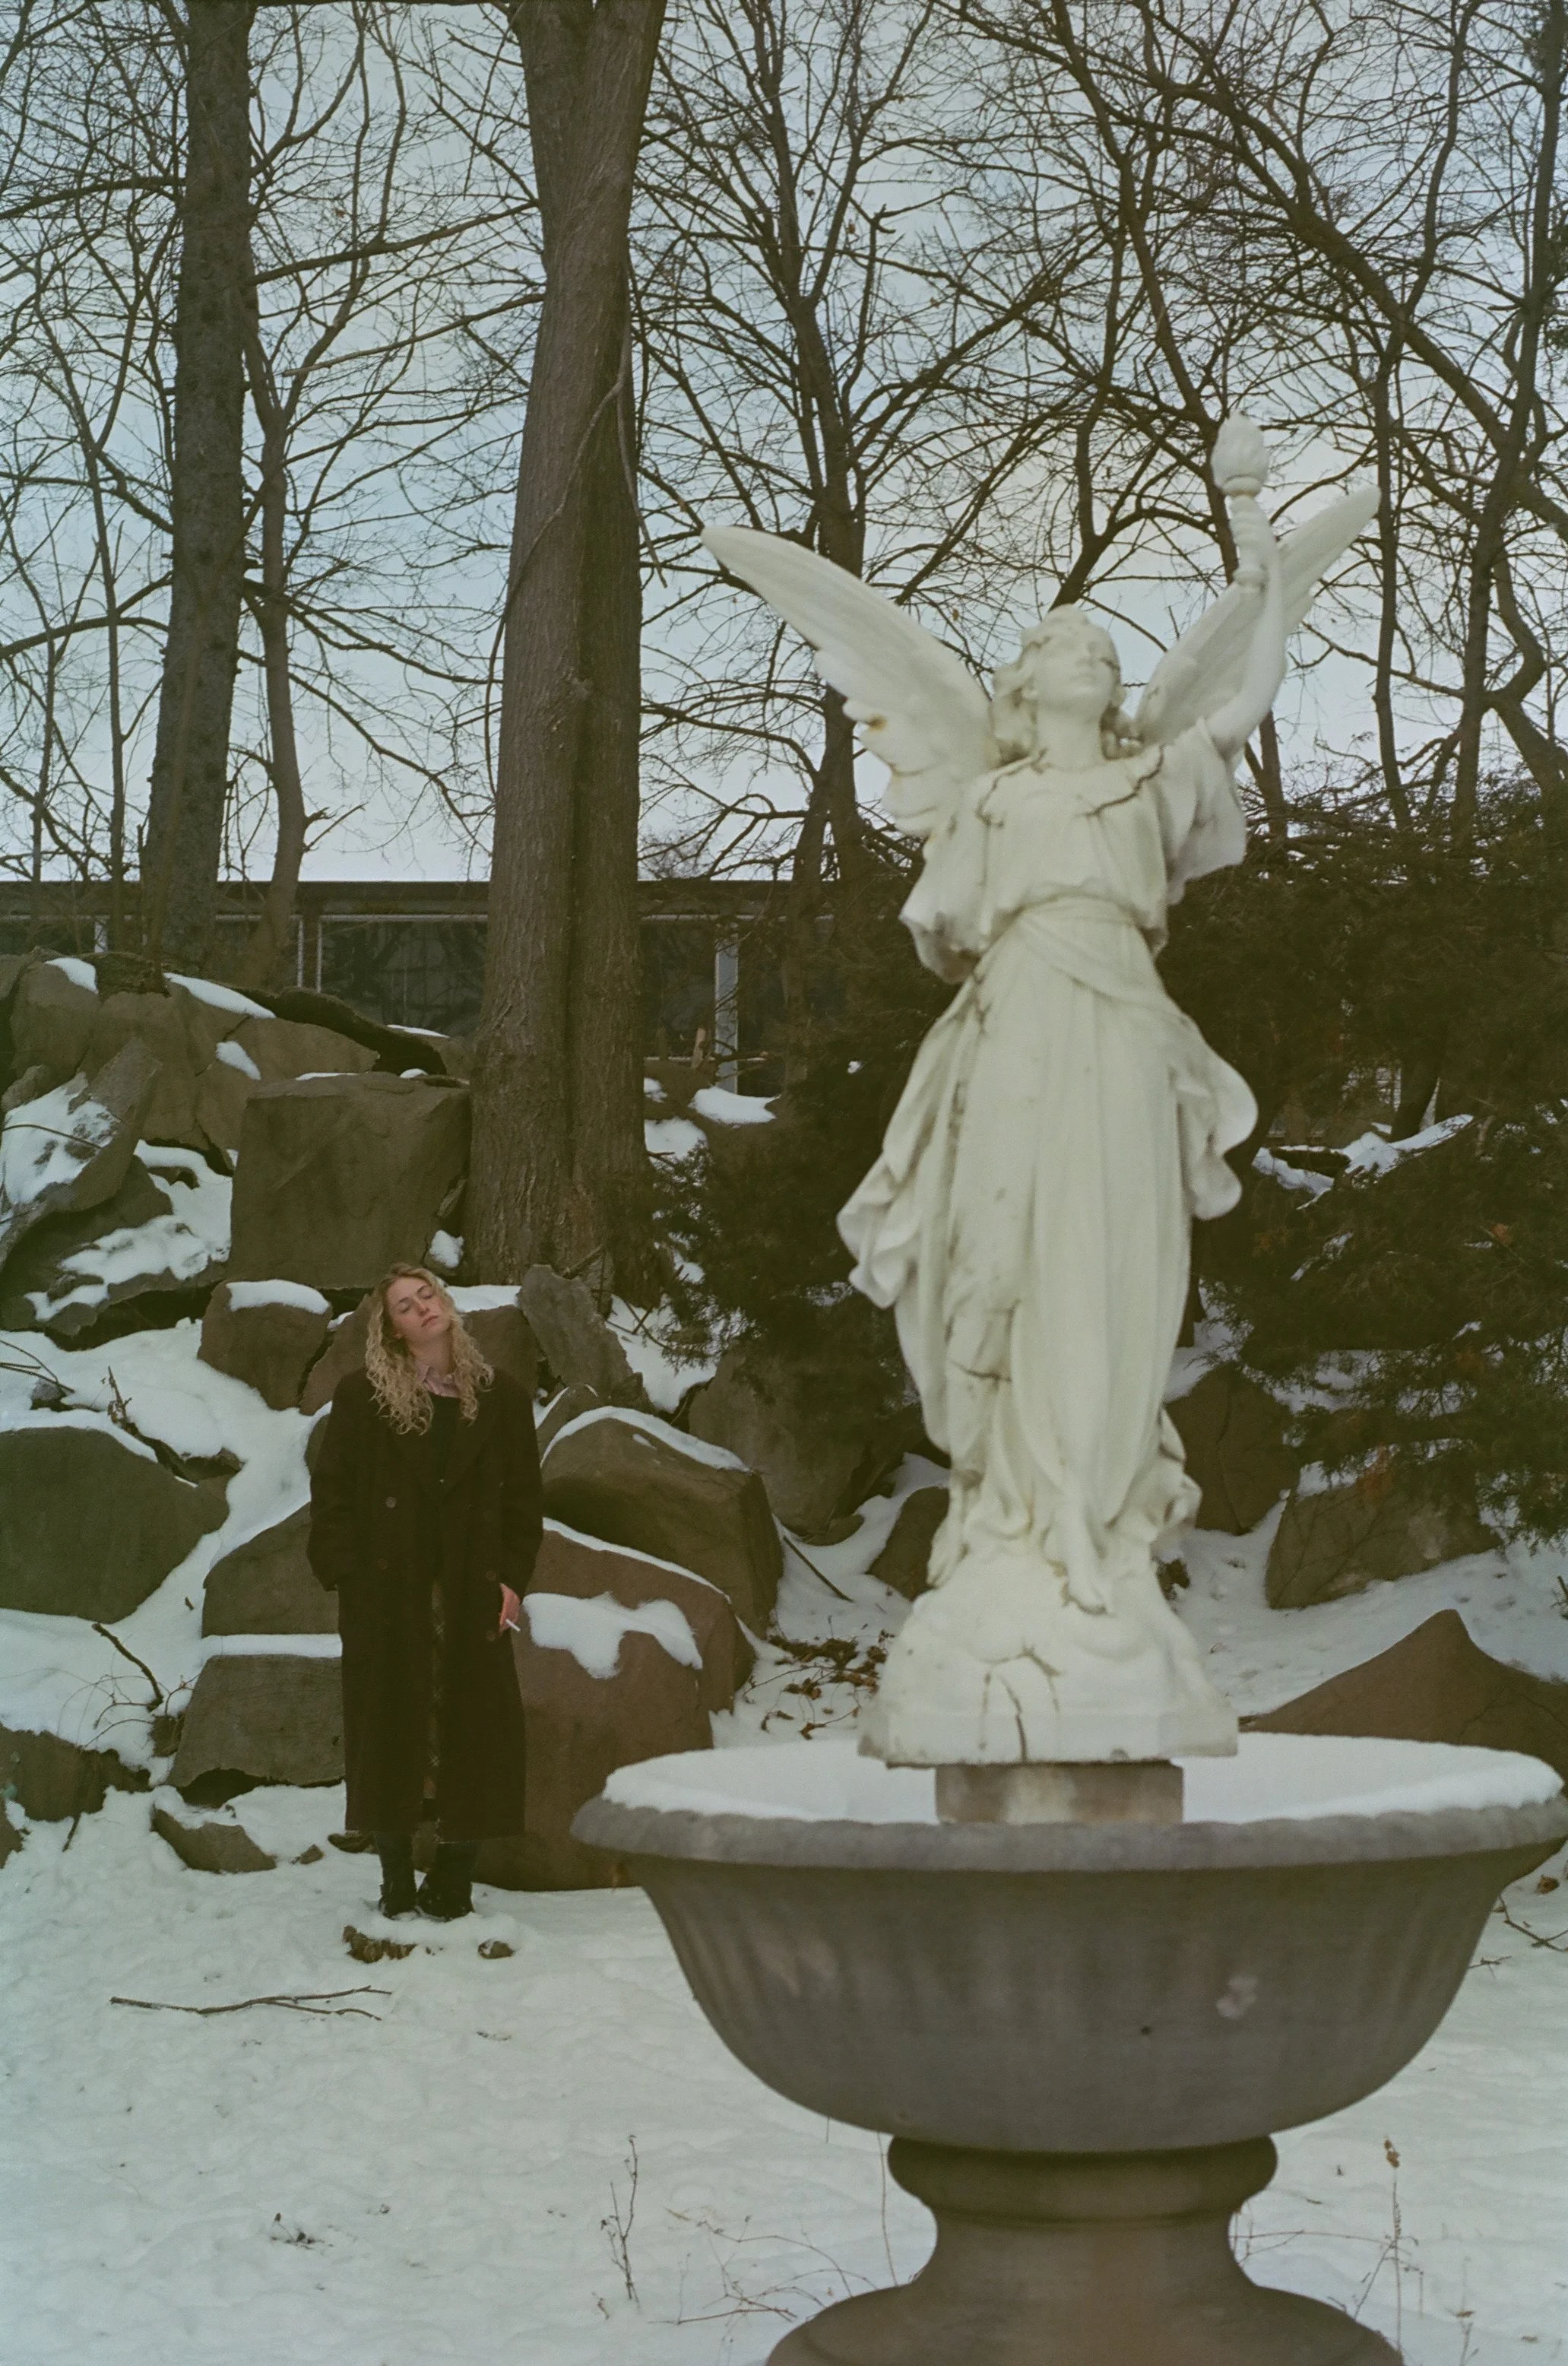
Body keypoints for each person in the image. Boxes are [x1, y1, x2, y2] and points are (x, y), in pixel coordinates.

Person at [308, 1264, 540, 1920]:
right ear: (393, 1330)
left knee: (475, 1728)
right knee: (388, 1727)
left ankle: (455, 1879)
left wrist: (512, 1581)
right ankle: (394, 1881)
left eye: (426, 1295)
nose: (422, 1309)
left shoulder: (502, 1399)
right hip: (389, 1594)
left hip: (472, 1590)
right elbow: (333, 1498)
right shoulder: (364, 1398)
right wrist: (349, 1575)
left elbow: (525, 1505)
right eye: (405, 1307)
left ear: (445, 1301)